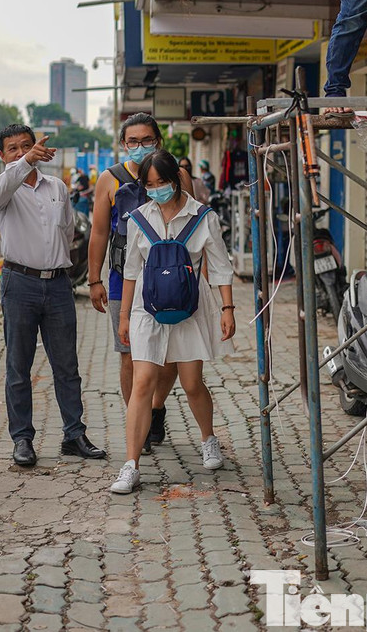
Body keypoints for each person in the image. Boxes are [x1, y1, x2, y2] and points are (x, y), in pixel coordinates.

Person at [109, 150, 236, 494]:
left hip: (189, 308)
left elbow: (221, 265)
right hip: (146, 311)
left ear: (176, 180)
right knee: (143, 382)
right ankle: (131, 464)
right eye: (149, 185)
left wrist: (228, 308)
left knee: (192, 382)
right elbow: (132, 271)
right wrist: (123, 318)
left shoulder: (203, 216)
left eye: (161, 182)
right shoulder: (138, 218)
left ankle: (208, 439)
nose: (156, 190)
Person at [0, 124, 106, 467]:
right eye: (13, 148)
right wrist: (24, 161)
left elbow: (68, 230)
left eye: (27, 145)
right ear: (2, 155)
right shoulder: (1, 191)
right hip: (18, 284)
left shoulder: (57, 187)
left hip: (57, 285)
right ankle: (22, 438)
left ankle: (74, 434)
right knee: (18, 367)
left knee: (67, 365)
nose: (23, 152)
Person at [87, 113, 194, 454]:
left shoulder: (178, 177)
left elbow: (193, 225)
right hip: (124, 280)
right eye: (132, 141)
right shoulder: (110, 179)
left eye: (146, 140)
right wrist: (93, 279)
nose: (139, 147)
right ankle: (140, 424)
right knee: (130, 355)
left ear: (158, 141)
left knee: (171, 354)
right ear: (123, 144)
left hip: (174, 279)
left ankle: (156, 407)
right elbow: (100, 232)